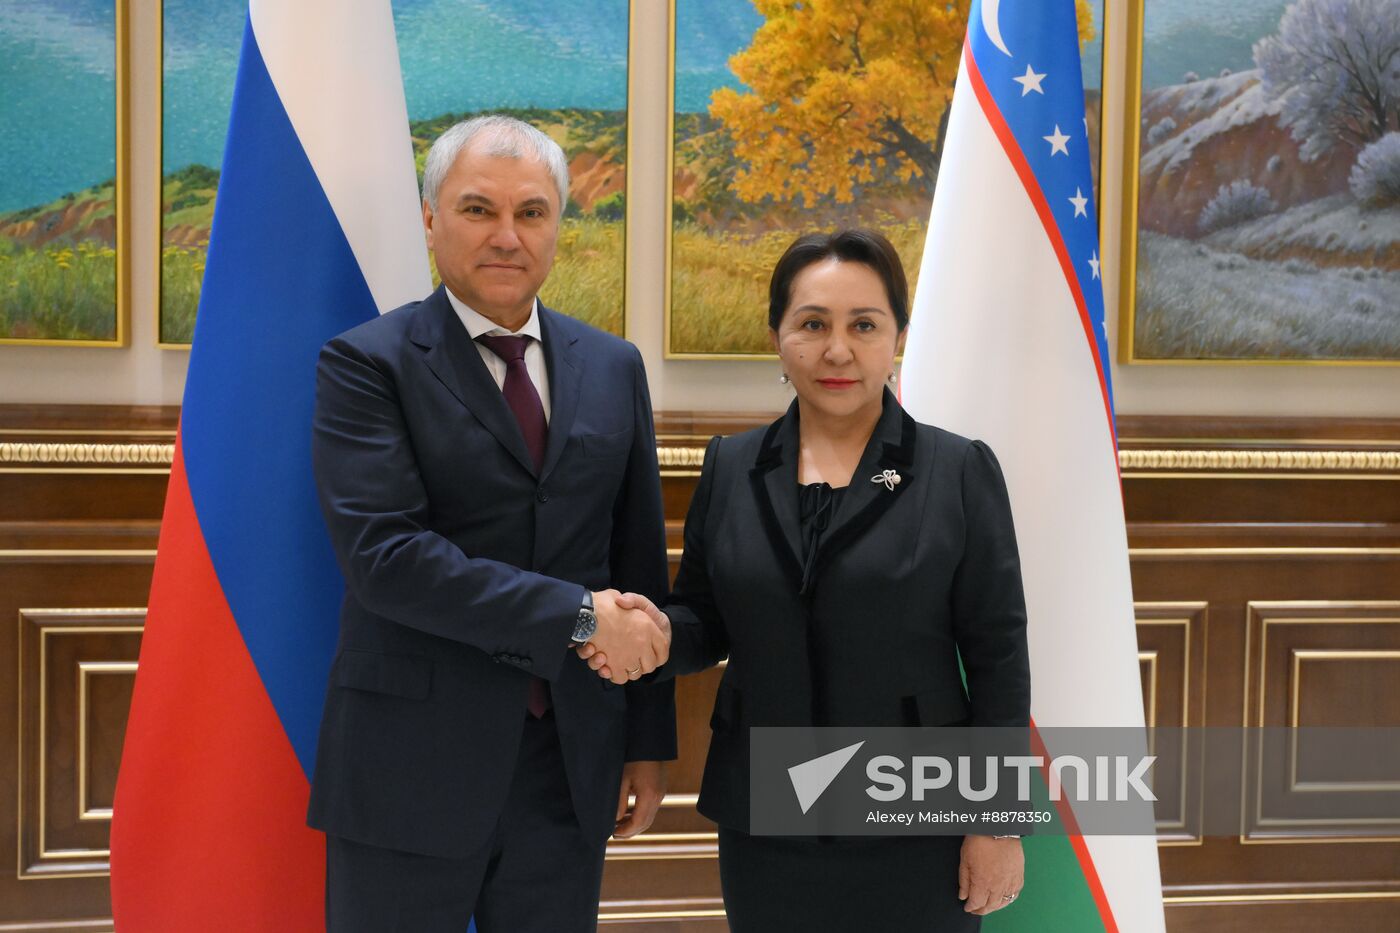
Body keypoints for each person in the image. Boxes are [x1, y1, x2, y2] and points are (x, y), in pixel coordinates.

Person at [583, 229, 1031, 930]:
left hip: (918, 820)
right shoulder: (730, 466)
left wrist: (998, 821)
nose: (838, 349)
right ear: (777, 335)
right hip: (768, 817)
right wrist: (661, 633)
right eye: (813, 323)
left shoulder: (957, 471)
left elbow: (999, 657)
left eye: (864, 325)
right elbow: (707, 618)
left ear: (898, 337)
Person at [306, 115, 675, 933]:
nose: (508, 236)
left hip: (568, 766)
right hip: (409, 766)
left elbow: (637, 561)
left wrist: (644, 744)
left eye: (532, 212)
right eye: (479, 210)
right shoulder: (369, 363)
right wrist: (578, 615)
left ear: (557, 226)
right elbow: (386, 558)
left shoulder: (614, 366)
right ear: (431, 219)